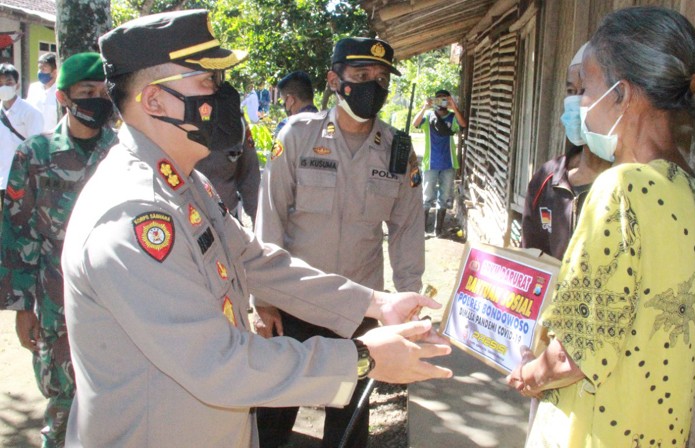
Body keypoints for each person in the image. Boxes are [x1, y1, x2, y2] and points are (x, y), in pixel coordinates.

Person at [63, 10, 451, 447]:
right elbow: (215, 362)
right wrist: (363, 359)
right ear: (154, 101)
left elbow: (256, 259)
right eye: (209, 82)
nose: (224, 96)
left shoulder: (187, 184)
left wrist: (378, 302)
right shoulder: (134, 218)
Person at [505, 6, 695, 447]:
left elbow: (574, 353)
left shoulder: (620, 188)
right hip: (655, 429)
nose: (580, 102)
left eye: (587, 87)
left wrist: (530, 375)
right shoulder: (692, 192)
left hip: (594, 430)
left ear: (623, 93)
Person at [254, 37, 425, 448]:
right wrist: (262, 301)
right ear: (335, 80)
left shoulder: (398, 150)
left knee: (348, 422)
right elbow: (270, 217)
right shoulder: (297, 135)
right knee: (275, 416)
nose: (374, 85)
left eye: (381, 78)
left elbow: (407, 232)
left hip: (358, 309)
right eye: (362, 76)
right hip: (293, 303)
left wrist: (408, 301)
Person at [0, 52, 116, 448]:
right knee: (63, 405)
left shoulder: (124, 153)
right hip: (56, 302)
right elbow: (18, 234)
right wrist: (21, 308)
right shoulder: (35, 154)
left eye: (104, 91)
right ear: (64, 97)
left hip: (117, 301)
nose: (98, 99)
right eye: (88, 91)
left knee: (117, 402)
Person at [521, 42, 611, 260]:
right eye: (571, 91)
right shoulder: (548, 178)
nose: (576, 100)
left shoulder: (633, 185)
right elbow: (531, 261)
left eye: (586, 90)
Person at [412, 89, 467, 237]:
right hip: (430, 163)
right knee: (427, 197)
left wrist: (454, 107)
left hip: (448, 163)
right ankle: (422, 230)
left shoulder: (452, 117)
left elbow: (463, 124)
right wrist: (424, 107)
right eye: (439, 99)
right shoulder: (429, 116)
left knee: (443, 198)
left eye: (444, 99)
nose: (441, 102)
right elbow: (415, 123)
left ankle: (438, 231)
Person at [195, 123, 261, 224]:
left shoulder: (237, 121)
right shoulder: (174, 118)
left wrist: (258, 221)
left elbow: (250, 178)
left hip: (228, 219)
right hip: (187, 218)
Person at [0, 63, 44, 200]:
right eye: (0, 83)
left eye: (8, 82)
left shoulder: (30, 112)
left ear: (17, 85)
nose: (4, 87)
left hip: (21, 182)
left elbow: (36, 149)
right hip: (2, 180)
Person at [274, 70, 319, 136]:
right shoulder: (330, 125)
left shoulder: (285, 126)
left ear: (290, 100)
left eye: (284, 103)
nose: (285, 107)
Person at [25, 52, 59, 131]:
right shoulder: (34, 88)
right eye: (39, 68)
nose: (40, 72)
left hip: (54, 139)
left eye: (43, 69)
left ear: (54, 72)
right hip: (34, 138)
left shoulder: (61, 91)